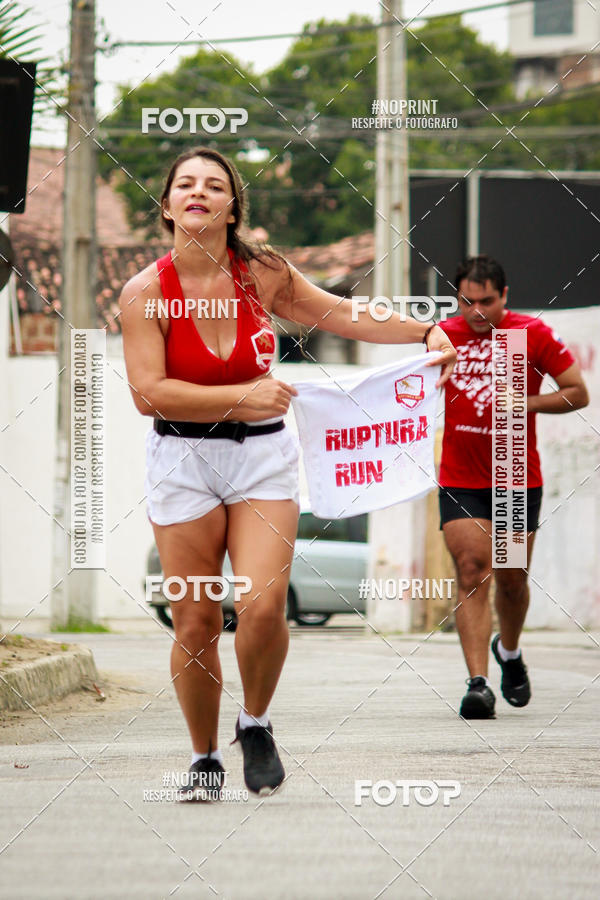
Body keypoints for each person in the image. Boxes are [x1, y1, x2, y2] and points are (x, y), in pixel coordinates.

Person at [119, 146, 457, 798]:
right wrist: (240, 396)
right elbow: (148, 392)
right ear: (165, 206)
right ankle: (203, 760)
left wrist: (424, 331)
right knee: (193, 622)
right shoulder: (144, 293)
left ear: (232, 206)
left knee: (263, 605)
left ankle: (256, 722)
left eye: (214, 185)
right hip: (181, 461)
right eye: (184, 184)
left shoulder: (263, 273)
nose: (198, 192)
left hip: (262, 457)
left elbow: (339, 313)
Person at [438, 254, 589, 719]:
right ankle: (478, 684)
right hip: (459, 477)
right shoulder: (440, 335)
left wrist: (526, 402)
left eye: (487, 301)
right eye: (468, 301)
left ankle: (510, 650)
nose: (477, 311)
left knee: (511, 579)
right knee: (471, 570)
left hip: (514, 476)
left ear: (505, 296)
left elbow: (576, 392)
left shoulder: (532, 335)